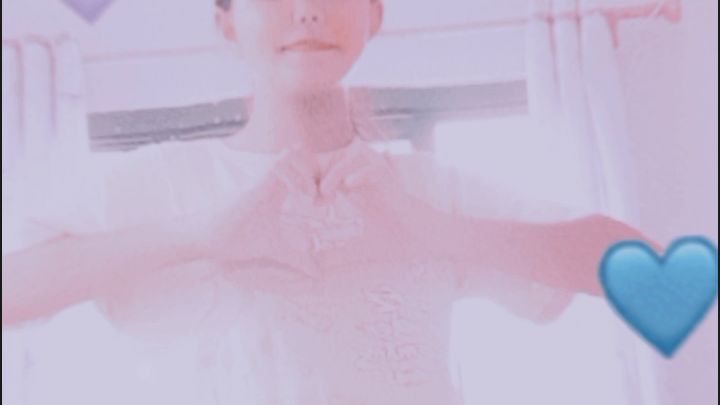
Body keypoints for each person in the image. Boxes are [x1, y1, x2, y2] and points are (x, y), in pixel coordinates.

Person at [1, 0, 655, 403]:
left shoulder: (425, 190)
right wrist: (200, 236)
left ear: (374, 14)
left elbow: (646, 270)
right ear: (225, 22)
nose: (308, 9)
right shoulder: (164, 184)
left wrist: (428, 229)